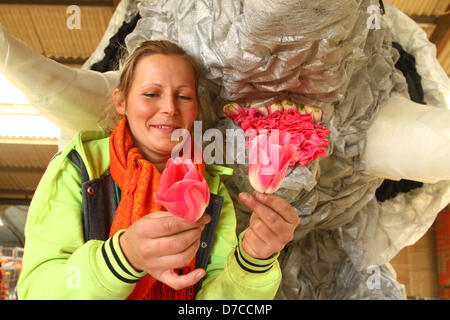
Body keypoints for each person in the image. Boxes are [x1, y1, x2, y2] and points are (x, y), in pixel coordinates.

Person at [17, 40, 300, 300]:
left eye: (184, 97)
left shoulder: (211, 192)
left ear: (196, 109)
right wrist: (123, 257)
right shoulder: (80, 170)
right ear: (121, 102)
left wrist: (254, 261)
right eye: (151, 93)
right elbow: (37, 291)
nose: (169, 108)